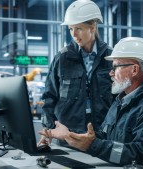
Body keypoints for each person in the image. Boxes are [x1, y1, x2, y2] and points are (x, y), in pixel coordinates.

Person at [39, 37, 143, 169]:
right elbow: (101, 137)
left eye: (116, 67)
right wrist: (68, 135)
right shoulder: (119, 102)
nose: (110, 73)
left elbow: (139, 157)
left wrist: (92, 145)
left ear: (134, 69)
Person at [40, 0, 113, 144]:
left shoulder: (111, 58)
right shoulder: (62, 58)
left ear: (92, 27)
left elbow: (118, 100)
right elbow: (49, 97)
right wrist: (48, 131)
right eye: (70, 29)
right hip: (67, 135)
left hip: (101, 135)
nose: (74, 34)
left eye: (78, 28)